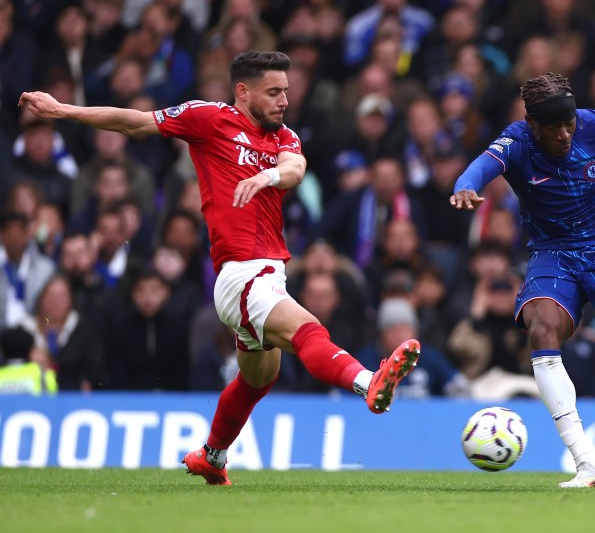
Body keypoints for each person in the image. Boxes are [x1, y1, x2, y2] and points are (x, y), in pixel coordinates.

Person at [19, 50, 421, 486]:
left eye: (285, 90)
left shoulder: (284, 137)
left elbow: (295, 168)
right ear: (242, 92)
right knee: (308, 330)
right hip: (241, 275)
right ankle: (368, 382)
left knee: (257, 380)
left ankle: (212, 455)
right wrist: (63, 110)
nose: (284, 100)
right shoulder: (207, 118)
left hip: (269, 273)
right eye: (273, 92)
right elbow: (132, 121)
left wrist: (266, 177)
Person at [450, 72, 595, 488]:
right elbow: (482, 166)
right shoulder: (518, 142)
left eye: (568, 123)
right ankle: (585, 462)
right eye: (552, 127)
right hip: (553, 253)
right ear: (533, 124)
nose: (563, 134)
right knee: (541, 329)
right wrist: (465, 186)